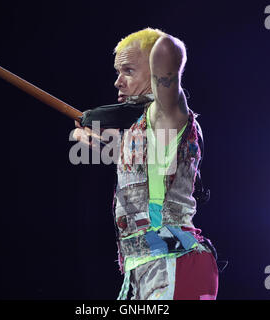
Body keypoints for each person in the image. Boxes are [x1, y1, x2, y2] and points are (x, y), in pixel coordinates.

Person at [72, 28, 218, 300]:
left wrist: (155, 54)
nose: (118, 82)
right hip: (140, 270)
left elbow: (168, 48)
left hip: (175, 261)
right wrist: (84, 130)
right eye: (117, 72)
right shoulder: (137, 127)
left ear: (154, 72)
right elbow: (114, 142)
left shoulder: (169, 112)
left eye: (128, 70)